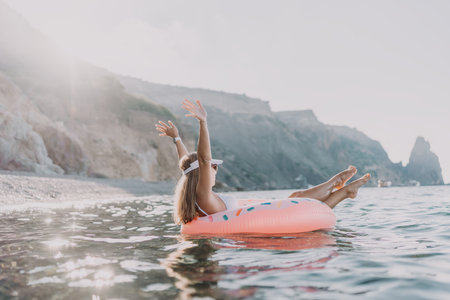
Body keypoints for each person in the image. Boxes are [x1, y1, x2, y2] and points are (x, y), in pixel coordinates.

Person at [156, 99, 371, 224]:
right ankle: (342, 191)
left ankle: (337, 186)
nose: (215, 168)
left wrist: (176, 139)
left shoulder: (197, 192)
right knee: (300, 202)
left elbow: (187, 165)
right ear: (201, 174)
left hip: (254, 212)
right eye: (214, 166)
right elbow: (202, 160)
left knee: (296, 196)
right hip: (259, 221)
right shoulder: (203, 196)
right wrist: (203, 123)